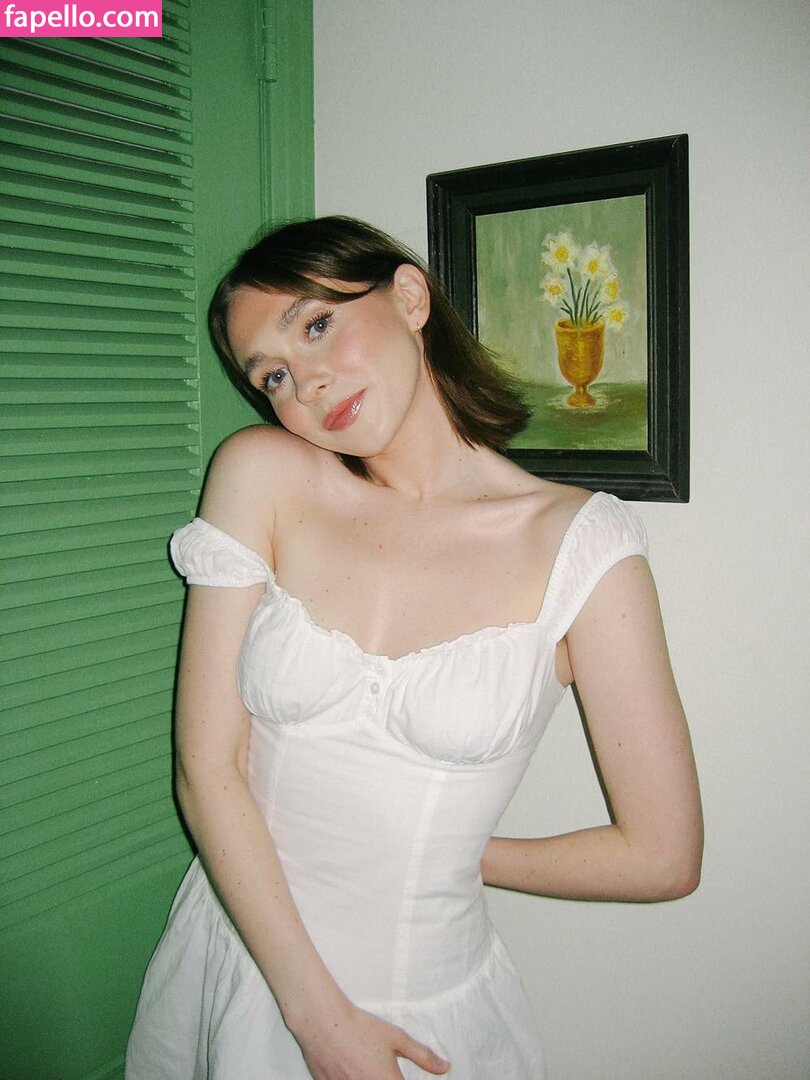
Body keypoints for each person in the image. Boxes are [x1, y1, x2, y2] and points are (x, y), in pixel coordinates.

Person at [126, 216, 702, 1079]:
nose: (307, 383)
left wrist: (459, 856)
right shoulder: (262, 477)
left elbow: (663, 856)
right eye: (272, 375)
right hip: (239, 966)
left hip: (423, 1011)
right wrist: (318, 1020)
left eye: (317, 325)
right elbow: (205, 767)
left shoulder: (580, 546)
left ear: (408, 296)